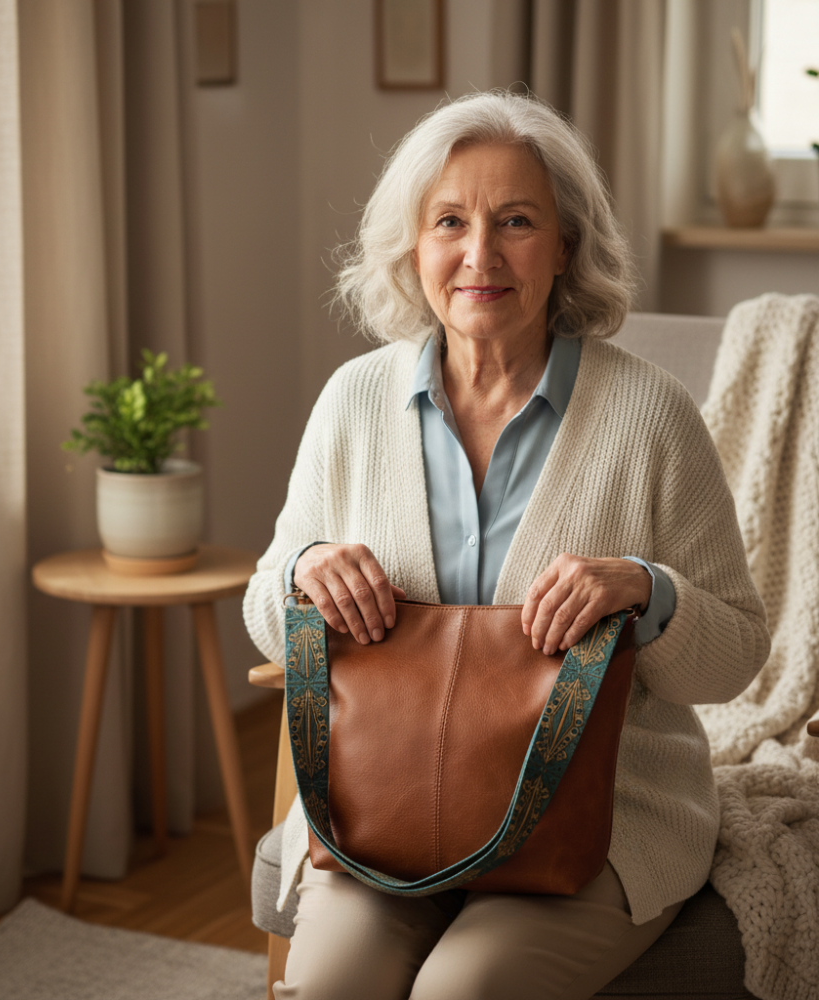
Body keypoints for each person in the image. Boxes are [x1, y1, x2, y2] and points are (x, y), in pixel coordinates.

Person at [242, 91, 768, 1000]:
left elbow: (737, 656)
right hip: (378, 820)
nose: (479, 255)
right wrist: (300, 573)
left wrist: (650, 593)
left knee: (464, 991)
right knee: (329, 984)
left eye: (516, 221)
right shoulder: (351, 402)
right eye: (450, 221)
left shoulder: (651, 417)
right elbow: (264, 609)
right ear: (414, 243)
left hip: (594, 824)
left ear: (566, 244)